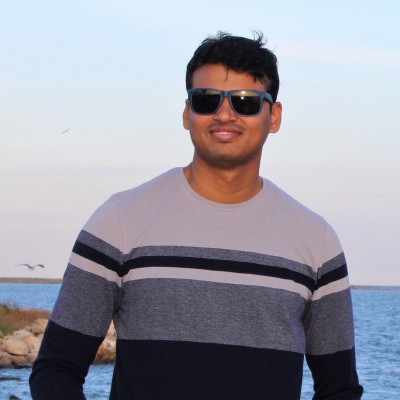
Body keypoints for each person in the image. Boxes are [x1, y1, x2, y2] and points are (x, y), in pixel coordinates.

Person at [30, 32, 363, 399]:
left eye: (246, 102)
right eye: (207, 100)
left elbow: (339, 389)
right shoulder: (119, 221)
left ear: (274, 116)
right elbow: (57, 369)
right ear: (187, 113)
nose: (225, 114)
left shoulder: (316, 241)